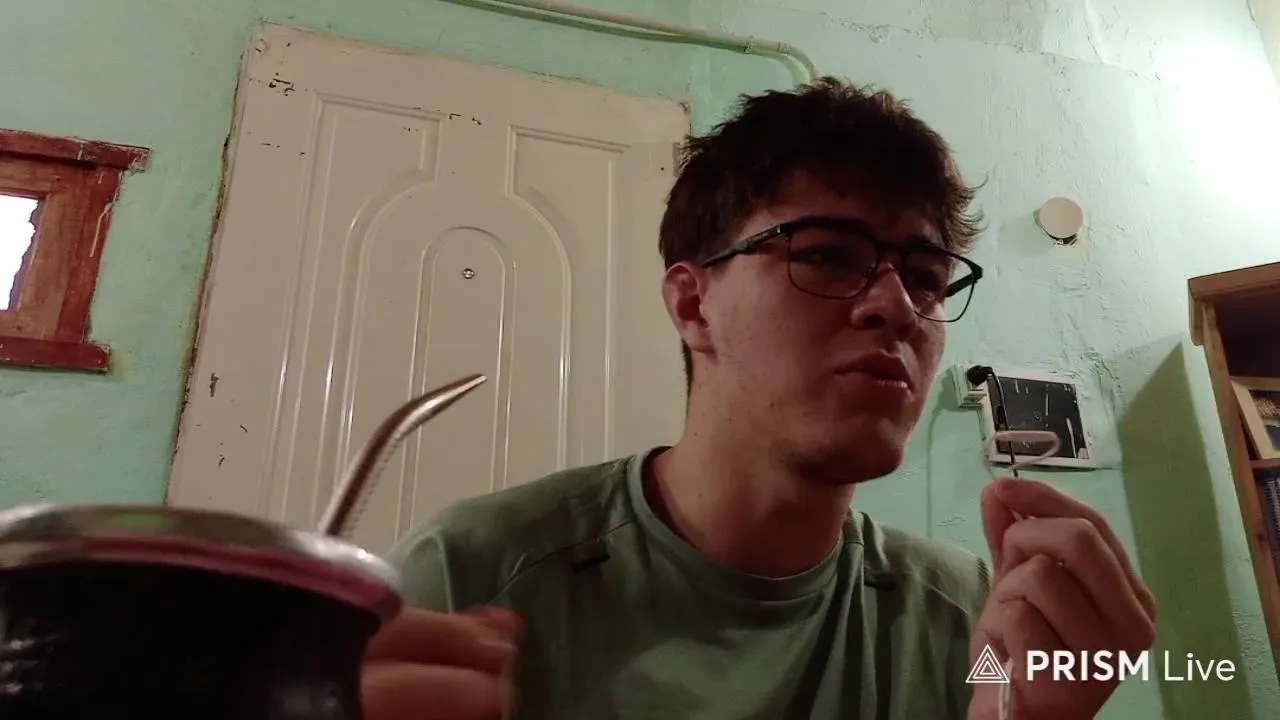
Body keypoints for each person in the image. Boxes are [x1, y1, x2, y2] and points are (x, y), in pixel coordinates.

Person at [359, 77, 1157, 720]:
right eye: (828, 255)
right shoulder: (471, 576)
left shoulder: (973, 616)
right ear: (691, 305)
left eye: (925, 278)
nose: (897, 307)